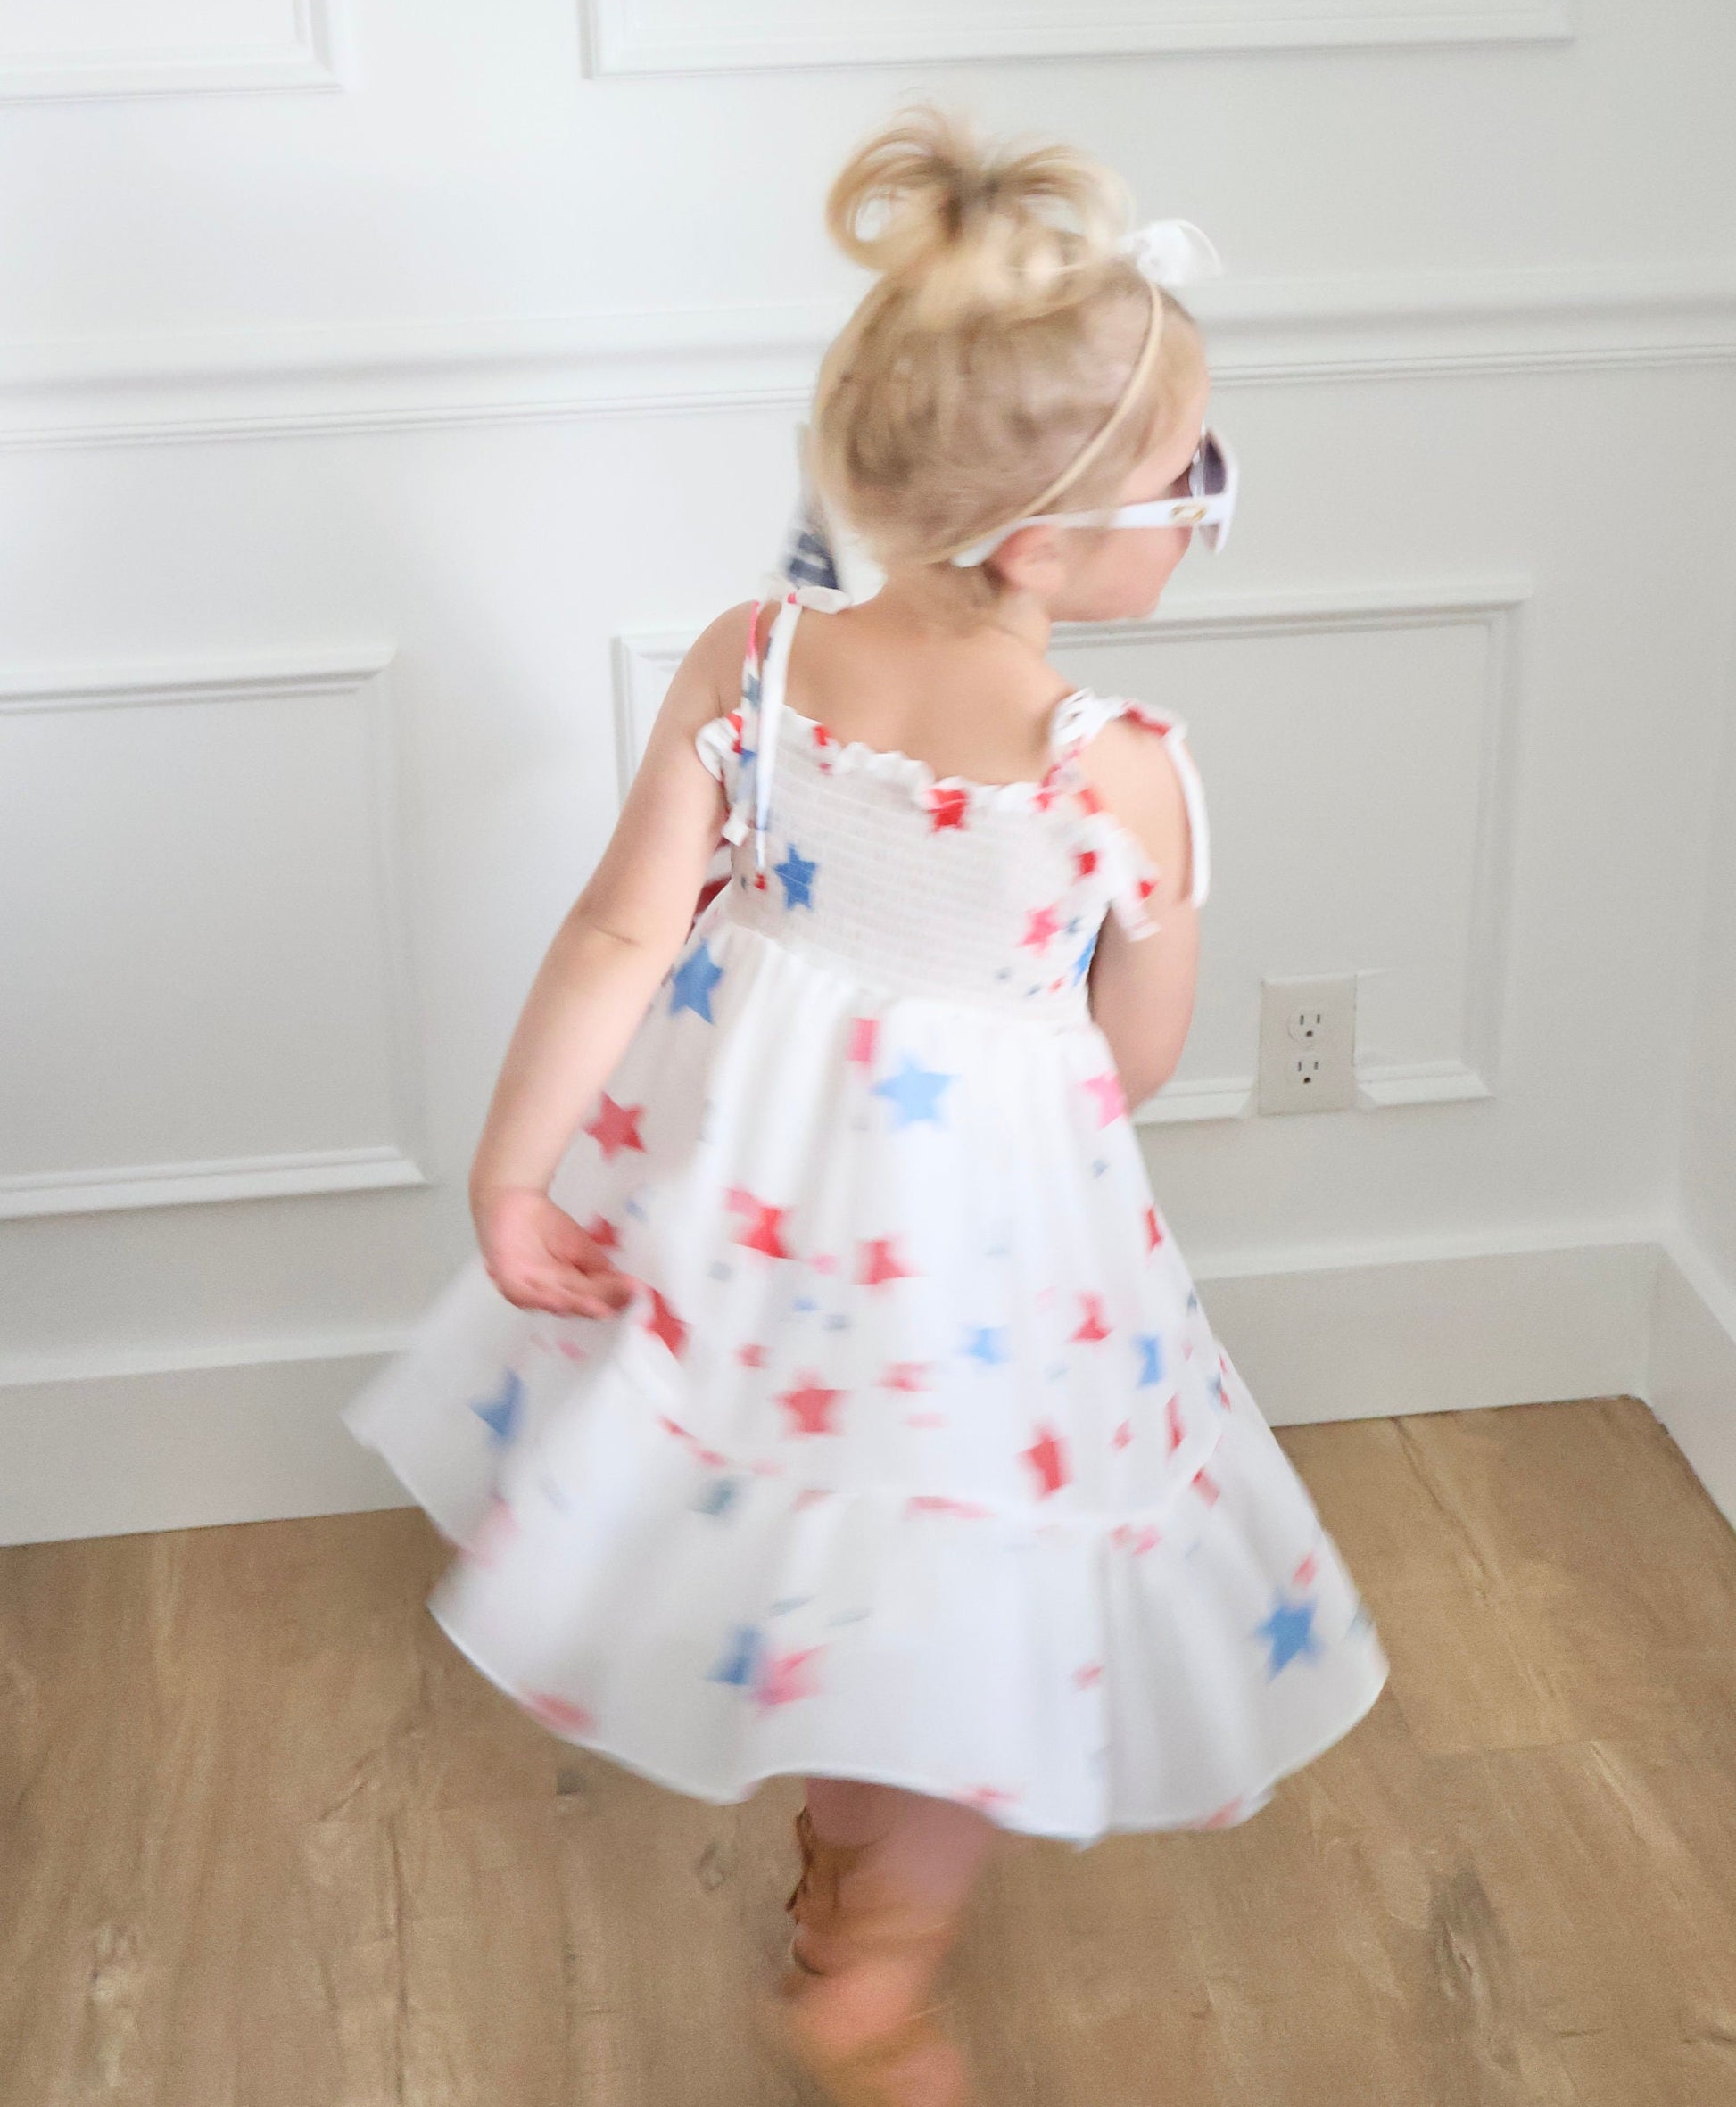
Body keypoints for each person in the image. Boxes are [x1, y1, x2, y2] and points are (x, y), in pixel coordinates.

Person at [343, 108, 1389, 2106]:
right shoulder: (1125, 768)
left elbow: (613, 933)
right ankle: (867, 1980)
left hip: (741, 1212)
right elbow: (1133, 1056)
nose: (1204, 506)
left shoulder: (754, 661)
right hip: (988, 1253)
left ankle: (841, 1873)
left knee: (814, 1532)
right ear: (1045, 538)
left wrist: (509, 1171)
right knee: (967, 1589)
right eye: (1193, 480)